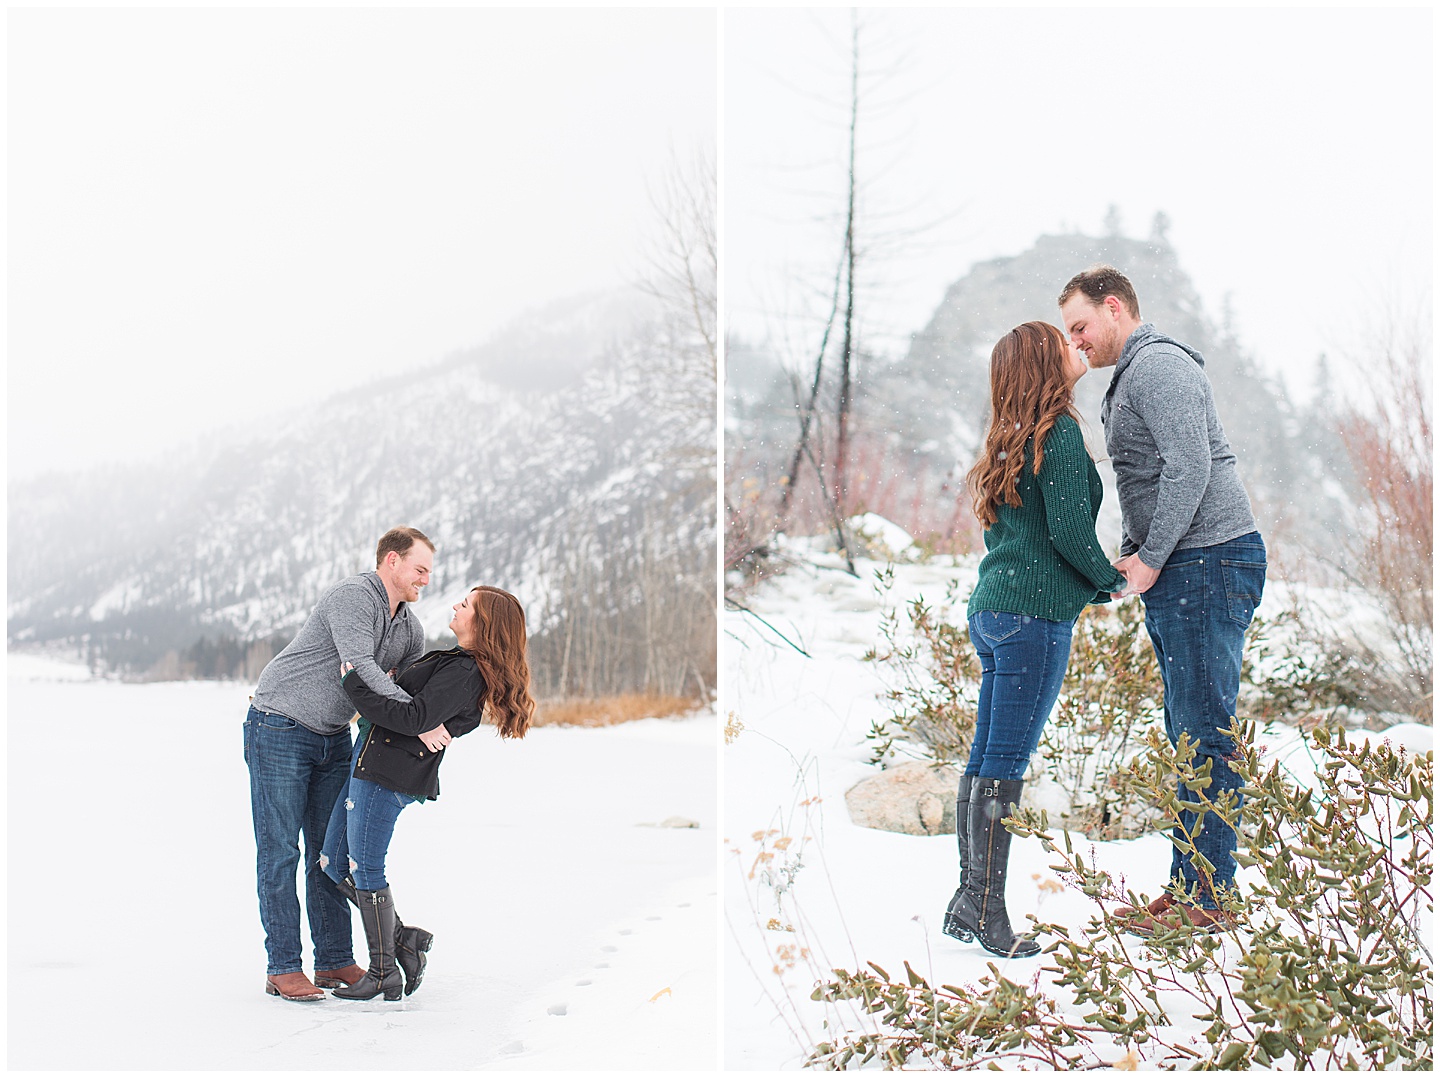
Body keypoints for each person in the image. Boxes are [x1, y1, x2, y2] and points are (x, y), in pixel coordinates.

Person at [1059, 265, 1264, 935]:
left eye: (1081, 325)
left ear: (1114, 307)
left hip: (1207, 561)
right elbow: (1145, 479)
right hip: (1189, 566)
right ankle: (1189, 888)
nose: (1078, 341)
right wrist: (1135, 552)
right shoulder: (1132, 377)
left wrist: (1150, 559)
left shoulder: (1157, 368)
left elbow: (1189, 466)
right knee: (1189, 733)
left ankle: (1209, 900)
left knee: (1204, 734)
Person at [943, 322, 1129, 959]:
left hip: (993, 612)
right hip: (1033, 618)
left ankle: (970, 897)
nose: (1077, 347)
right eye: (1064, 343)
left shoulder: (1009, 437)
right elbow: (1072, 535)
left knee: (985, 758)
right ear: (1044, 366)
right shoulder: (1060, 435)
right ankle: (987, 910)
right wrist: (1112, 583)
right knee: (1004, 766)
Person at [319, 585, 536, 1001]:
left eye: (467, 605)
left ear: (484, 623)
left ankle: (384, 972)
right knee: (333, 862)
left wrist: (354, 683)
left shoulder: (468, 670)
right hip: (369, 763)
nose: (457, 605)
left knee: (365, 868)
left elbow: (412, 715)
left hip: (388, 773)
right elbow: (417, 710)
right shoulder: (456, 662)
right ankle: (403, 941)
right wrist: (396, 686)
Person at [244, 527, 433, 1002]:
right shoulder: (353, 596)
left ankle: (332, 960)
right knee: (281, 851)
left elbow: (408, 686)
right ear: (392, 561)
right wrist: (418, 720)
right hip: (280, 724)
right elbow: (361, 669)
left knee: (329, 855)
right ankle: (283, 966)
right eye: (420, 569)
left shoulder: (410, 628)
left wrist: (428, 715)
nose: (426, 580)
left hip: (335, 737)